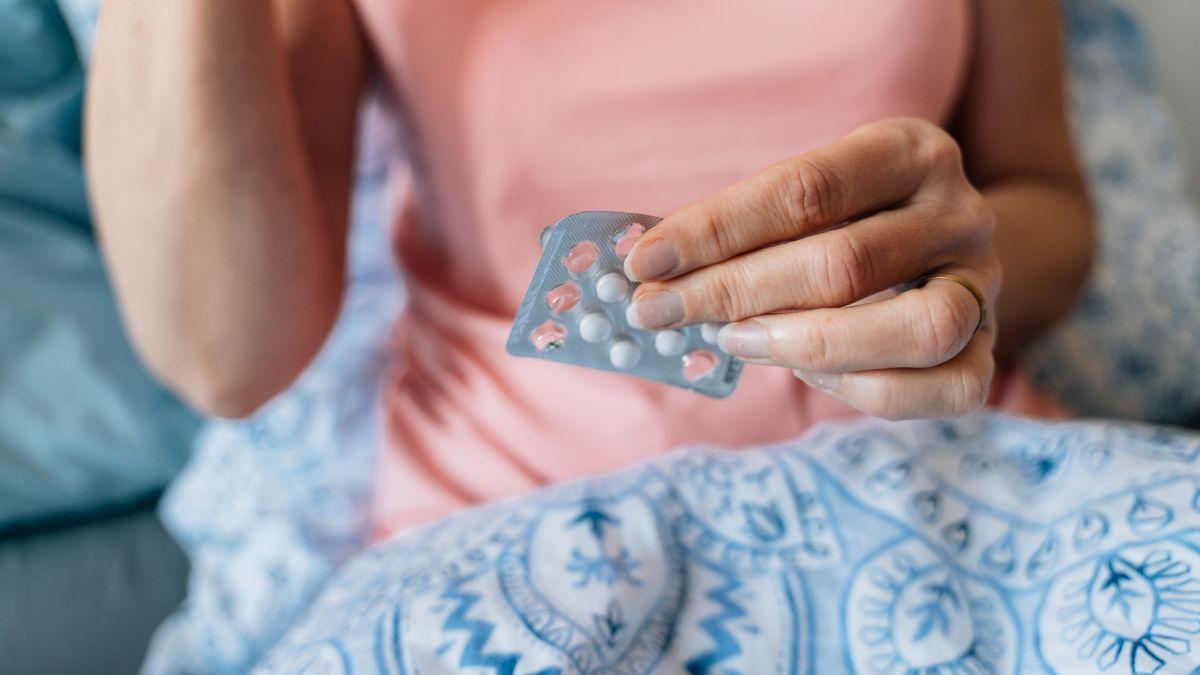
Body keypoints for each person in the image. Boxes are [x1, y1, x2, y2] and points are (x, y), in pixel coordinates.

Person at [88, 0, 1092, 536]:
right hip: (517, 522)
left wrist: (958, 278)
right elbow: (224, 352)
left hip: (951, 482)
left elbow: (1047, 200)